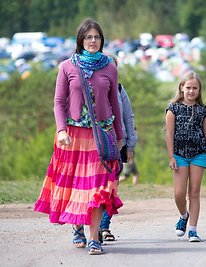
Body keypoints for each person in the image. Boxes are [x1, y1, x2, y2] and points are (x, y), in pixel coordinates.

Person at [34, 18, 123, 255]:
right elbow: (58, 102)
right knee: (75, 186)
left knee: (96, 187)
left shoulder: (110, 67)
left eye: (97, 37)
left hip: (101, 135)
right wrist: (61, 129)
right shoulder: (67, 66)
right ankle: (77, 227)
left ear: (102, 40)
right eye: (88, 37)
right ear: (80, 40)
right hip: (72, 136)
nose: (93, 41)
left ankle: (94, 238)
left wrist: (120, 135)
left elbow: (115, 103)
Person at [165, 72, 206, 242]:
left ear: (199, 90)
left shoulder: (203, 111)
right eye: (188, 87)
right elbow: (169, 134)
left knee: (194, 192)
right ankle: (183, 215)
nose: (191, 91)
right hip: (179, 155)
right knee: (179, 193)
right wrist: (171, 156)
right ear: (181, 88)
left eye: (195, 88)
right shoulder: (173, 109)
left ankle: (193, 230)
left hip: (198, 154)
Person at [99, 55, 137, 242]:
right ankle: (91, 226)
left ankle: (104, 227)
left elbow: (128, 117)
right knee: (94, 187)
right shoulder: (94, 90)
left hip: (119, 144)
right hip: (97, 144)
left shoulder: (120, 90)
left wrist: (131, 144)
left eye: (114, 68)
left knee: (112, 187)